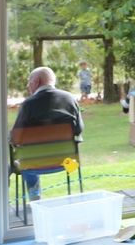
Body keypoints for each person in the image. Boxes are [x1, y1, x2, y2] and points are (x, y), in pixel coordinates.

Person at [12, 67, 84, 202]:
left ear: (36, 81)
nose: (28, 86)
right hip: (67, 161)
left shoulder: (28, 104)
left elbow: (16, 137)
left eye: (29, 82)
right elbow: (78, 129)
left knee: (18, 161)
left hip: (33, 164)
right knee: (29, 157)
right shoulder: (69, 99)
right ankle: (76, 200)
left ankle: (35, 199)